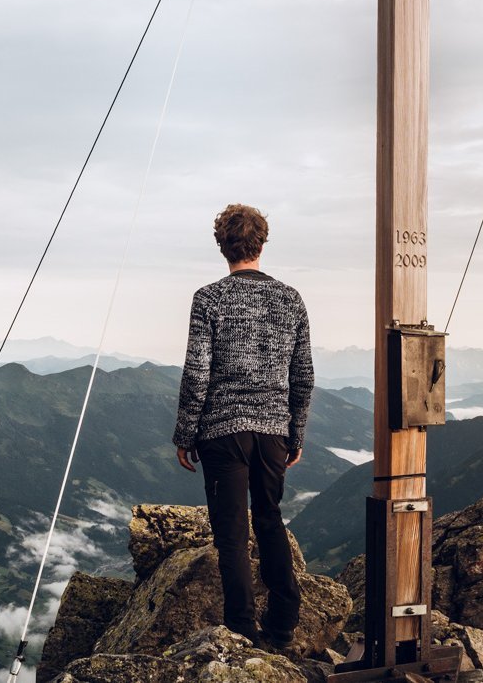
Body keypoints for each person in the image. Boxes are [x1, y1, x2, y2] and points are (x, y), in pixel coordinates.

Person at [171, 203, 313, 651]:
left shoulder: (208, 299)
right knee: (270, 519)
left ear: (222, 245)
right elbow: (303, 375)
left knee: (231, 534)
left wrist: (185, 435)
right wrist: (296, 434)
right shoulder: (290, 299)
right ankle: (284, 623)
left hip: (222, 434)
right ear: (262, 243)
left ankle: (241, 631)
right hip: (273, 431)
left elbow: (197, 374)